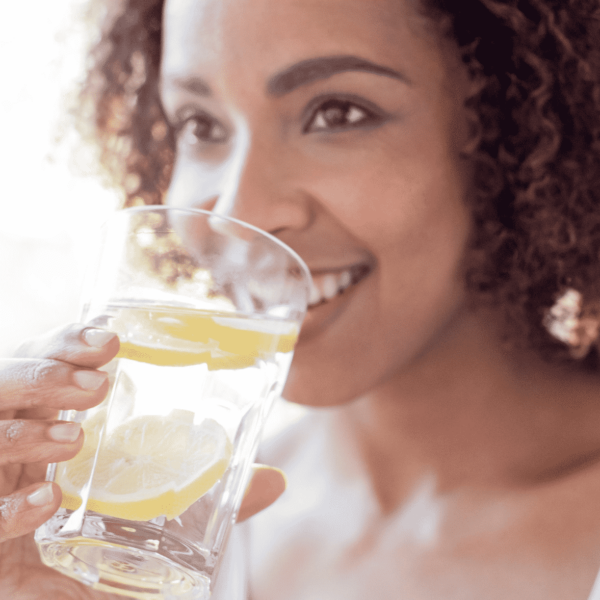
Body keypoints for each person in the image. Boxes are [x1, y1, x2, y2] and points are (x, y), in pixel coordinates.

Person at [2, 0, 600, 598]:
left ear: (509, 131)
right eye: (200, 125)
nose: (238, 213)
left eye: (337, 113)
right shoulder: (157, 533)